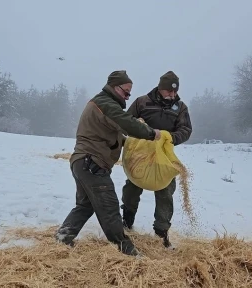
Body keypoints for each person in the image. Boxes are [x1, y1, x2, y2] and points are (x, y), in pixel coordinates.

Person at [55, 70, 161, 256]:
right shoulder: (106, 104)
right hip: (92, 163)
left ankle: (62, 238)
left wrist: (131, 145)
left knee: (85, 205)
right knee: (110, 208)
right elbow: (126, 123)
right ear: (114, 86)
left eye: (130, 93)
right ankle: (127, 251)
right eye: (126, 91)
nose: (128, 96)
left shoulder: (102, 104)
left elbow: (113, 135)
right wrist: (152, 133)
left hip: (82, 162)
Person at [120, 70, 192, 249]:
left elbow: (186, 130)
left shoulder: (180, 108)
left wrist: (170, 137)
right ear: (160, 88)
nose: (172, 95)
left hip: (163, 157)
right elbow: (127, 121)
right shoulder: (142, 102)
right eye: (169, 91)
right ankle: (127, 224)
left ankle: (161, 234)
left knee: (166, 192)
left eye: (175, 92)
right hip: (141, 155)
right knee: (132, 188)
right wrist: (139, 126)